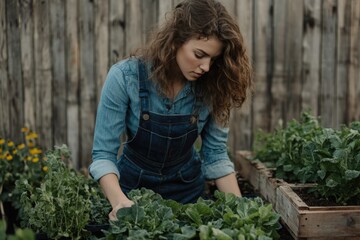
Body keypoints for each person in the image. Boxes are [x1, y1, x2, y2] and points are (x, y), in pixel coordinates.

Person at [89, 0, 253, 220]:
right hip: (131, 194)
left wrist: (243, 214)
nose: (206, 67)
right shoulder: (125, 77)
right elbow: (103, 155)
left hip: (187, 196)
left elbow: (215, 156)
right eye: (199, 54)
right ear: (176, 41)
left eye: (213, 59)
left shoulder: (213, 85)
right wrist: (121, 203)